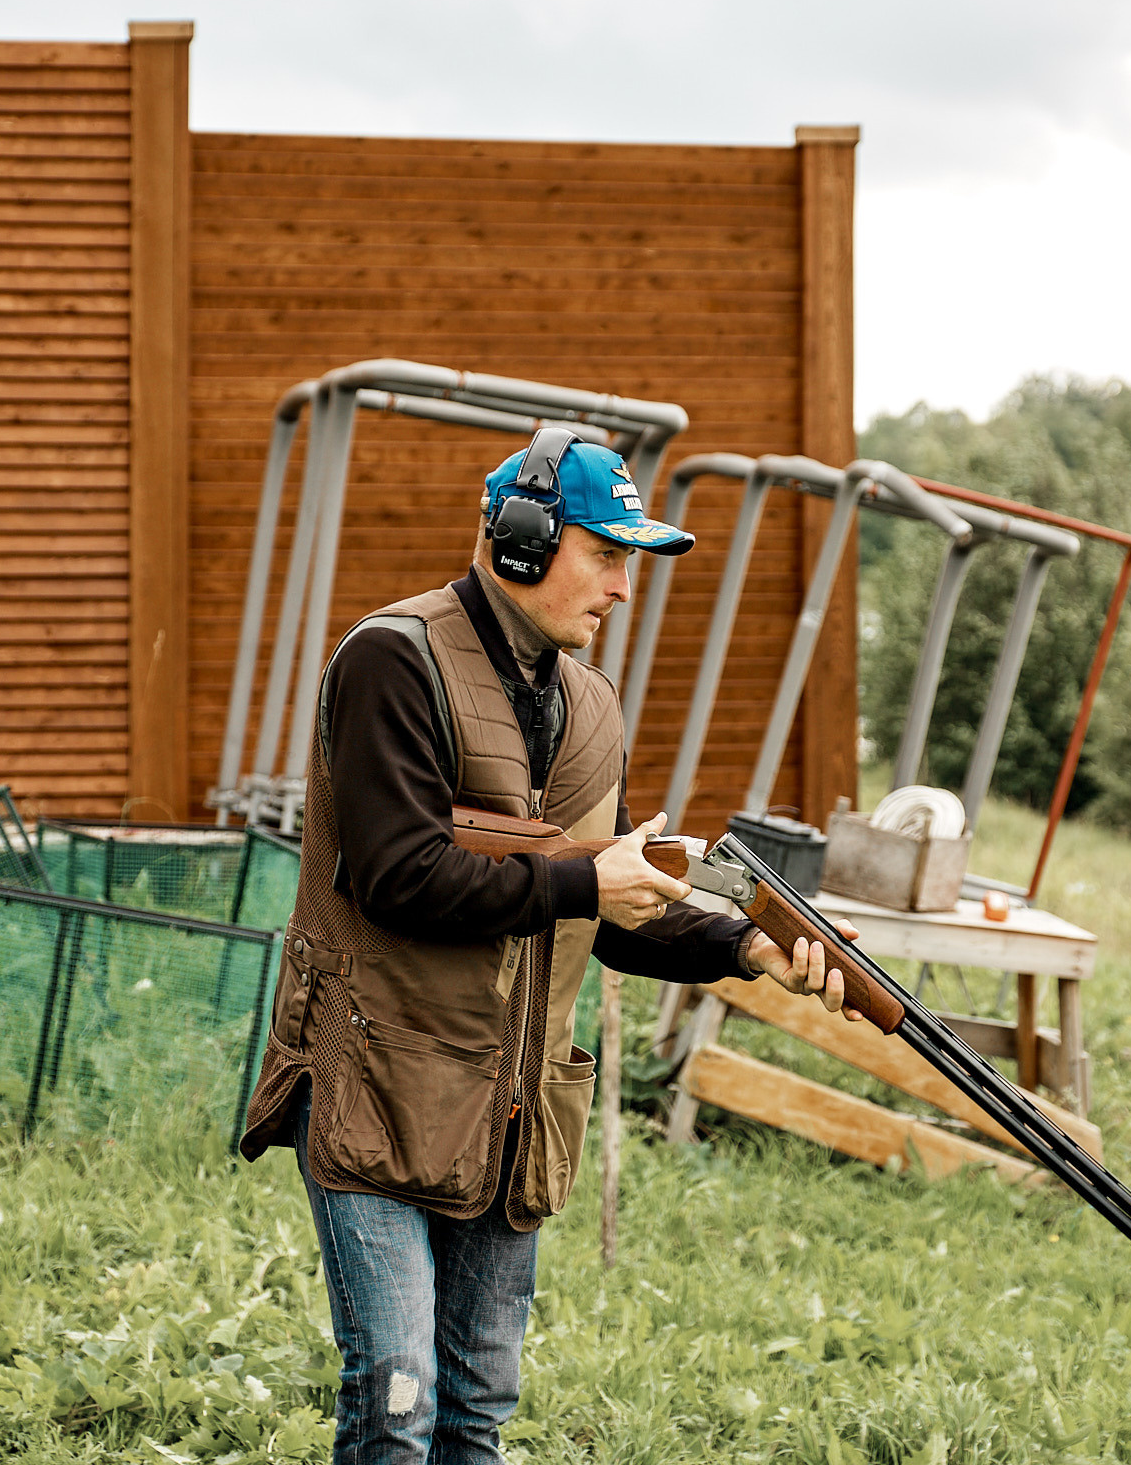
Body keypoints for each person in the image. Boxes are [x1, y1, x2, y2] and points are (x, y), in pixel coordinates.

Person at [239, 429, 863, 1464]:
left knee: (477, 1412)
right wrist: (584, 875)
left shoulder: (590, 708)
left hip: (517, 1106)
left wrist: (750, 946)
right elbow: (399, 875)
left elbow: (609, 914)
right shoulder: (394, 658)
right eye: (607, 554)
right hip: (377, 1082)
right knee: (396, 1405)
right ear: (522, 541)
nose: (624, 588)